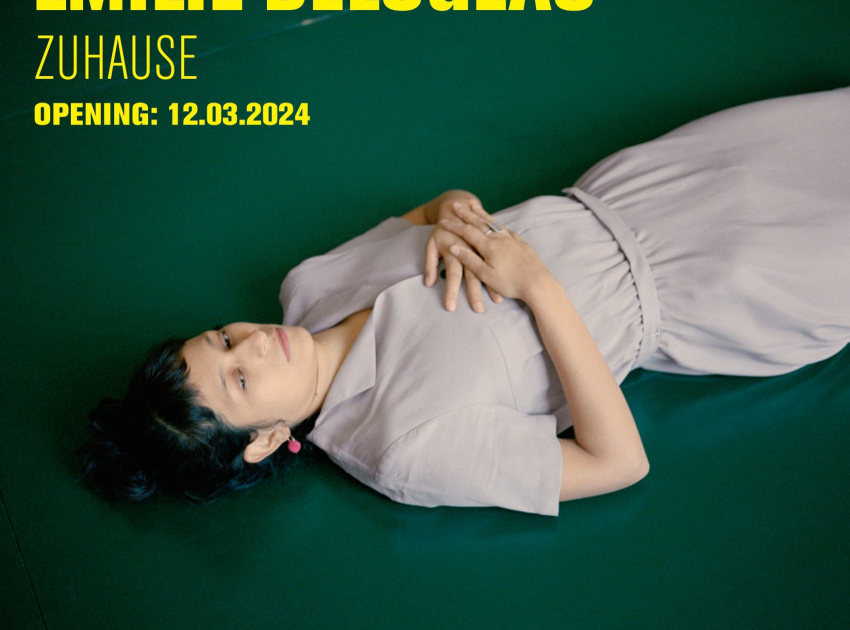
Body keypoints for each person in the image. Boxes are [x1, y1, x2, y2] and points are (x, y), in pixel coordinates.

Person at [81, 88, 850, 515]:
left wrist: (459, 211)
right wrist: (537, 288)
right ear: (262, 441)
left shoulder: (305, 285)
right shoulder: (401, 448)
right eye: (241, 381)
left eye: (220, 338)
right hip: (713, 286)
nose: (251, 342)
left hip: (636, 185)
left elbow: (431, 211)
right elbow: (618, 462)